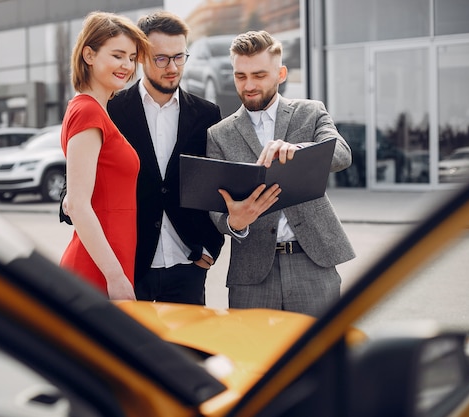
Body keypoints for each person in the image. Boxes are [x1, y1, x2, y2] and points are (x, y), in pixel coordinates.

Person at [61, 11, 224, 305]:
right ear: (144, 58)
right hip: (130, 266)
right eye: (161, 58)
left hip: (188, 264)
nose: (172, 67)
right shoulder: (109, 108)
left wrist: (212, 245)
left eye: (179, 57)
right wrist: (74, 202)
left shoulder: (207, 114)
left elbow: (214, 185)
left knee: (186, 352)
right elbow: (74, 192)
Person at [206, 30, 355, 316]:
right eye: (241, 76)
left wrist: (297, 149)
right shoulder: (218, 134)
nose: (249, 85)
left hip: (312, 261)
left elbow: (341, 154)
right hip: (251, 272)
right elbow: (216, 210)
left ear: (281, 73)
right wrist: (233, 222)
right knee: (253, 357)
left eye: (259, 75)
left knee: (319, 355)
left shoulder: (310, 113)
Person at [59, 11, 150, 300]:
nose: (127, 65)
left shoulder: (97, 111)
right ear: (89, 54)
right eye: (118, 55)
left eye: (132, 58)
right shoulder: (87, 111)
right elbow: (76, 204)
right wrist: (115, 277)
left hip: (111, 262)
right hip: (97, 270)